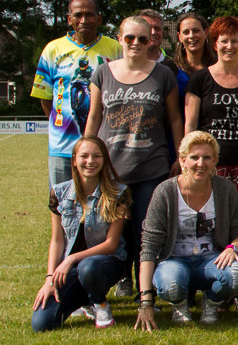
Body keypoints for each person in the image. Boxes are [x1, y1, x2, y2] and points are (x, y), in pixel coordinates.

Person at [85, 16, 183, 293]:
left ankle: (146, 291)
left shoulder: (163, 74)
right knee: (110, 234)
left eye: (143, 38)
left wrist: (180, 156)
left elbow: (175, 118)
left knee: (146, 233)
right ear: (119, 39)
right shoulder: (102, 73)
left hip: (150, 167)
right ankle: (115, 283)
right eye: (130, 37)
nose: (136, 43)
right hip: (110, 170)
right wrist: (85, 154)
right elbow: (94, 117)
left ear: (151, 40)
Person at [134, 131, 238, 331]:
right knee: (170, 284)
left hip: (211, 260)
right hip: (174, 261)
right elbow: (149, 247)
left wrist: (232, 248)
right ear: (183, 160)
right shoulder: (165, 191)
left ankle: (211, 302)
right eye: (194, 157)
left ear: (215, 161)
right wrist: (146, 302)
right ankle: (179, 305)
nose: (200, 163)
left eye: (207, 157)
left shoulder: (225, 189)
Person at [31, 137, 130, 331]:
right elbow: (57, 241)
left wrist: (71, 259)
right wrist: (50, 278)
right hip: (73, 270)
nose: (90, 161)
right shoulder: (59, 193)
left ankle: (100, 304)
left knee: (88, 267)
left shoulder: (118, 193)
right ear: (74, 160)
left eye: (96, 156)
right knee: (42, 324)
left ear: (104, 160)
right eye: (84, 156)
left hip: (104, 264)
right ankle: (83, 299)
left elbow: (111, 244)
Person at [31, 0, 121, 186]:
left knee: (101, 200)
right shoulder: (53, 49)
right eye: (78, 15)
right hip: (63, 147)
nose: (84, 20)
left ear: (99, 18)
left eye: (89, 15)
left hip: (103, 147)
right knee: (61, 200)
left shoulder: (115, 49)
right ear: (69, 19)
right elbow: (45, 98)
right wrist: (61, 124)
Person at [185, 16, 238, 192]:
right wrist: (187, 158)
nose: (229, 46)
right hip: (209, 164)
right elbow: (190, 124)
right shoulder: (200, 79)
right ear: (215, 44)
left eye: (234, 41)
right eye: (224, 41)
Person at [173, 12, 215, 98]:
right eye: (186, 32)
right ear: (179, 36)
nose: (191, 36)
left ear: (206, 33)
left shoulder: (218, 65)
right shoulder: (170, 69)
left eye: (196, 31)